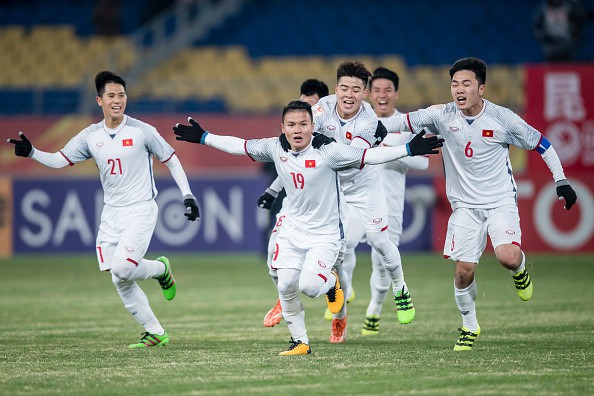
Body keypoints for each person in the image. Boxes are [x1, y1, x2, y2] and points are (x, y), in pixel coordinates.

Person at [172, 100, 443, 355]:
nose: (297, 130)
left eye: (303, 124)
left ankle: (332, 284)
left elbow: (368, 156)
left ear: (313, 126)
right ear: (283, 128)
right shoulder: (275, 147)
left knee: (310, 286)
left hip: (325, 233)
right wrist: (204, 137)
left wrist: (407, 150)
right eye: (291, 125)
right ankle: (300, 341)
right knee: (286, 283)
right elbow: (240, 145)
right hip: (293, 229)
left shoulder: (329, 151)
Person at [381, 57, 578, 351]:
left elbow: (543, 144)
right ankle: (469, 326)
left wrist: (561, 181)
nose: (459, 90)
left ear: (481, 88)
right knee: (463, 270)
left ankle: (520, 271)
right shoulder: (441, 115)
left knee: (508, 257)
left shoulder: (503, 119)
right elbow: (399, 121)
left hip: (499, 202)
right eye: (454, 84)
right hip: (464, 207)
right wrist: (361, 126)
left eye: (466, 84)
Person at [7, 71, 199, 349]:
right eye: (111, 96)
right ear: (100, 100)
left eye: (121, 95)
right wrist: (33, 152)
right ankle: (156, 331)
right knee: (118, 277)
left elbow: (171, 159)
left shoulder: (142, 131)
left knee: (122, 268)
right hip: (111, 214)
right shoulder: (90, 136)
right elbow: (61, 160)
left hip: (141, 208)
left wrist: (188, 195)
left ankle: (160, 268)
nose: (117, 100)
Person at [312, 61, 416, 343]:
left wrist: (321, 143)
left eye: (356, 89)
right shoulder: (321, 108)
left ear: (365, 94)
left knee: (381, 242)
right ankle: (340, 318)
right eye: (344, 87)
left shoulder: (369, 120)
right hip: (334, 189)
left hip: (365, 186)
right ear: (335, 89)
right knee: (338, 252)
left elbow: (351, 158)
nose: (349, 94)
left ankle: (400, 288)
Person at [361, 66, 431, 335]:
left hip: (390, 204)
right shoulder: (360, 122)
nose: (382, 95)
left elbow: (423, 162)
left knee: (381, 262)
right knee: (342, 248)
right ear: (368, 94)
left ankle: (374, 311)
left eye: (387, 90)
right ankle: (340, 298)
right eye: (376, 90)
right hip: (357, 200)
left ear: (396, 94)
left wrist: (392, 151)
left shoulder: (406, 124)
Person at [259, 78, 329, 328]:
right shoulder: (293, 134)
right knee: (272, 258)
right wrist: (272, 190)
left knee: (339, 269)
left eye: (313, 107)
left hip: (326, 211)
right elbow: (290, 167)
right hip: (295, 208)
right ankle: (284, 297)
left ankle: (339, 316)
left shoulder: (328, 138)